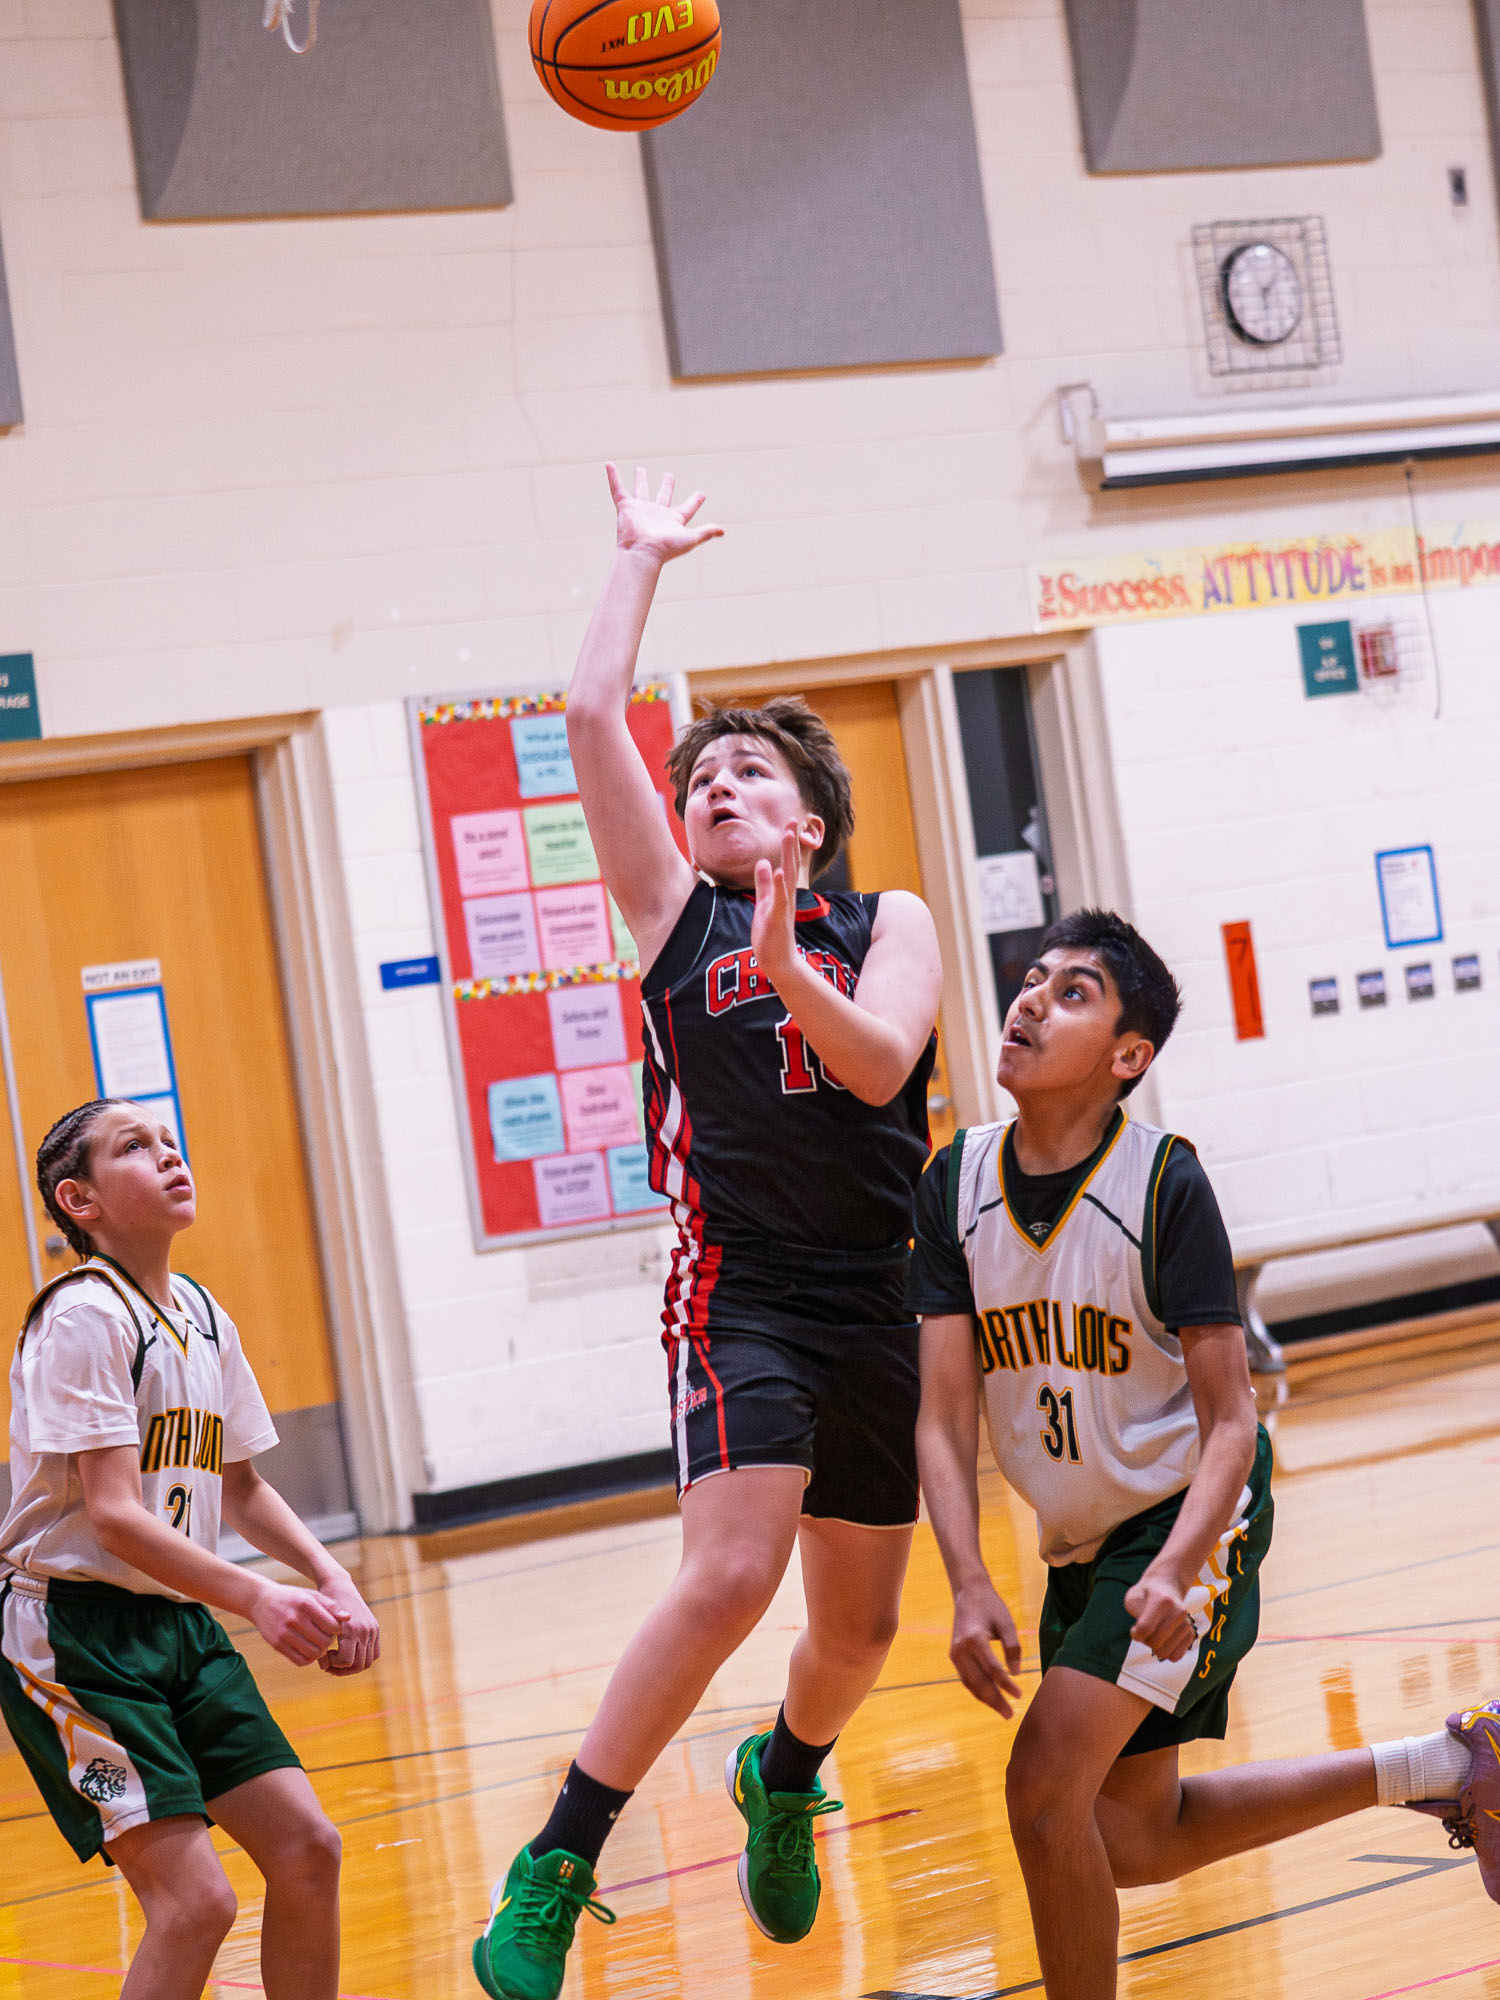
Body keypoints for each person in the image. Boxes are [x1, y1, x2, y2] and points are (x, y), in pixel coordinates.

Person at [472, 466, 944, 2000]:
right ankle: (559, 1859)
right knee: (731, 1574)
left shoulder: (893, 927)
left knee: (858, 1634)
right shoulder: (675, 920)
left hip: (876, 1299)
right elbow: (591, 713)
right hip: (738, 1283)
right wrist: (636, 561)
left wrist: (782, 959)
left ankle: (785, 1771)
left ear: (814, 816)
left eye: (751, 776)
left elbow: (879, 1069)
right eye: (705, 784)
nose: (720, 792)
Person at [912, 908, 1499, 2000]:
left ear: (1130, 1057)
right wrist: (964, 1577)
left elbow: (1233, 1419)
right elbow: (941, 1420)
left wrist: (1178, 1566)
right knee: (1132, 1838)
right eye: (1030, 978)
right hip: (1081, 1537)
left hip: (1186, 1513)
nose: (1030, 998)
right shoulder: (955, 1183)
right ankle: (1451, 1766)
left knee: (1044, 1793)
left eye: (1072, 990)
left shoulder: (1164, 1185)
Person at [0, 1099, 381, 2000]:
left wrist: (332, 1577)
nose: (170, 1155)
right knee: (194, 1902)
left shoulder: (203, 1314)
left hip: (175, 1627)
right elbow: (116, 1515)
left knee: (307, 1849)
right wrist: (255, 1598)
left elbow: (241, 1488)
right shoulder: (83, 1315)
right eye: (135, 1148)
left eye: (170, 1139)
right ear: (79, 1200)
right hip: (73, 1638)